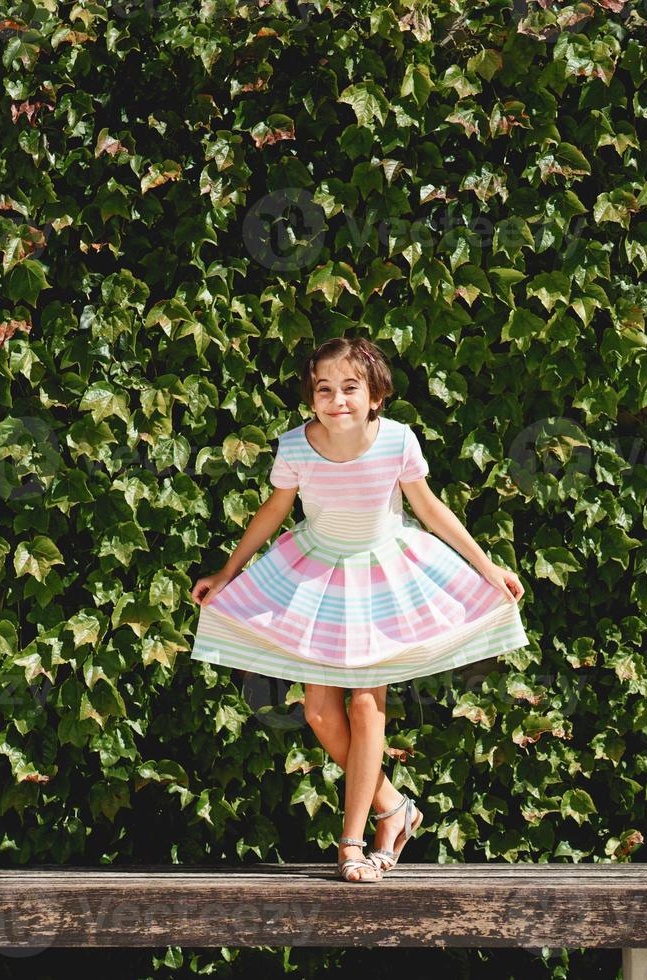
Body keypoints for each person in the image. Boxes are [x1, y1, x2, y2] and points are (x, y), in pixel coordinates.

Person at [188, 335, 528, 883]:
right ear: (311, 397)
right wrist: (227, 572)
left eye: (350, 387)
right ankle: (395, 807)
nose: (337, 399)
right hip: (317, 574)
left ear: (375, 396)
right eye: (325, 389)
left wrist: (487, 568)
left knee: (367, 706)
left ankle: (352, 843)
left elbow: (429, 508)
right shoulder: (297, 446)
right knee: (321, 712)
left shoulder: (396, 441)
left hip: (384, 575)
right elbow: (275, 510)